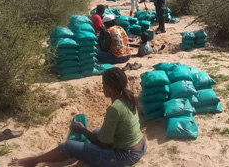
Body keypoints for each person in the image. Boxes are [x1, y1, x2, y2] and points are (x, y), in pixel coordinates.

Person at [9, 67, 147, 167]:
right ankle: (78, 156)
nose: (102, 87)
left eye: (103, 84)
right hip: (140, 146)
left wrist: (82, 130)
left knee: (69, 145)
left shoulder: (115, 108)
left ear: (110, 87)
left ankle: (34, 161)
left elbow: (103, 143)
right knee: (95, 132)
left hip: (125, 155)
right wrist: (87, 133)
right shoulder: (127, 97)